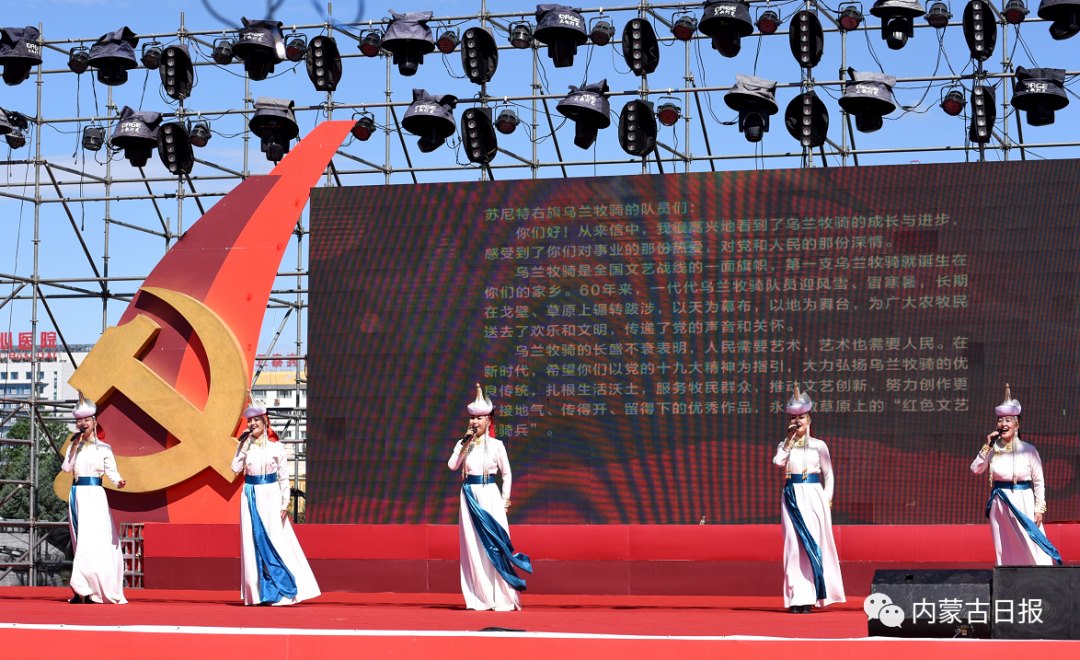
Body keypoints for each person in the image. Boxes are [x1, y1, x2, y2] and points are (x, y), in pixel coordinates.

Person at [447, 383, 532, 611]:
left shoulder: (496, 446)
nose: (475, 422)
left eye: (480, 418)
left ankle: (503, 598)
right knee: (473, 546)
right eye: (472, 418)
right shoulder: (463, 444)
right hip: (469, 496)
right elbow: (453, 465)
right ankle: (479, 598)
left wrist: (505, 501)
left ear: (489, 420)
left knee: (495, 544)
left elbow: (507, 474)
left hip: (490, 495)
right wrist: (464, 444)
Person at [231, 401, 321, 605]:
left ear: (265, 421)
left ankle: (285, 591)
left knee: (275, 540)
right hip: (250, 496)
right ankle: (257, 592)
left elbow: (283, 478)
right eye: (250, 421)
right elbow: (235, 468)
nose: (252, 424)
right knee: (253, 540)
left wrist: (284, 504)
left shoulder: (276, 447)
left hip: (271, 496)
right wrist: (242, 447)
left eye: (256, 420)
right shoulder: (246, 447)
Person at [772, 383, 846, 614]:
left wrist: (827, 499)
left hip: (814, 496)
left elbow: (829, 474)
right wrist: (789, 441)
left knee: (814, 544)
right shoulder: (785, 445)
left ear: (809, 419)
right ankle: (798, 597)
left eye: (801, 417)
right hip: (792, 496)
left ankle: (813, 595)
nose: (798, 421)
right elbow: (778, 462)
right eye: (794, 418)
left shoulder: (819, 445)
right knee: (793, 547)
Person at [970, 384, 1061, 566]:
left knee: (1030, 541)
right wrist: (987, 446)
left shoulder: (1029, 450)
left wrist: (1039, 508)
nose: (1003, 424)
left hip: (1023, 500)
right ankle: (1007, 576)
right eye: (1000, 420)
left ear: (1017, 424)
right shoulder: (992, 449)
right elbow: (976, 469)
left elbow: (1039, 481)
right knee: (1003, 544)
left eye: (1008, 420)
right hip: (1000, 502)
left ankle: (1040, 575)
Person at [61, 393, 127, 604]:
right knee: (81, 542)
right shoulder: (74, 447)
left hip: (96, 496)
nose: (83, 423)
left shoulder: (104, 448)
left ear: (94, 422)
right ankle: (82, 589)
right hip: (78, 495)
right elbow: (66, 468)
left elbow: (112, 472)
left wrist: (118, 481)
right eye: (79, 420)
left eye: (86, 420)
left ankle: (98, 588)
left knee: (96, 541)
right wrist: (73, 448)